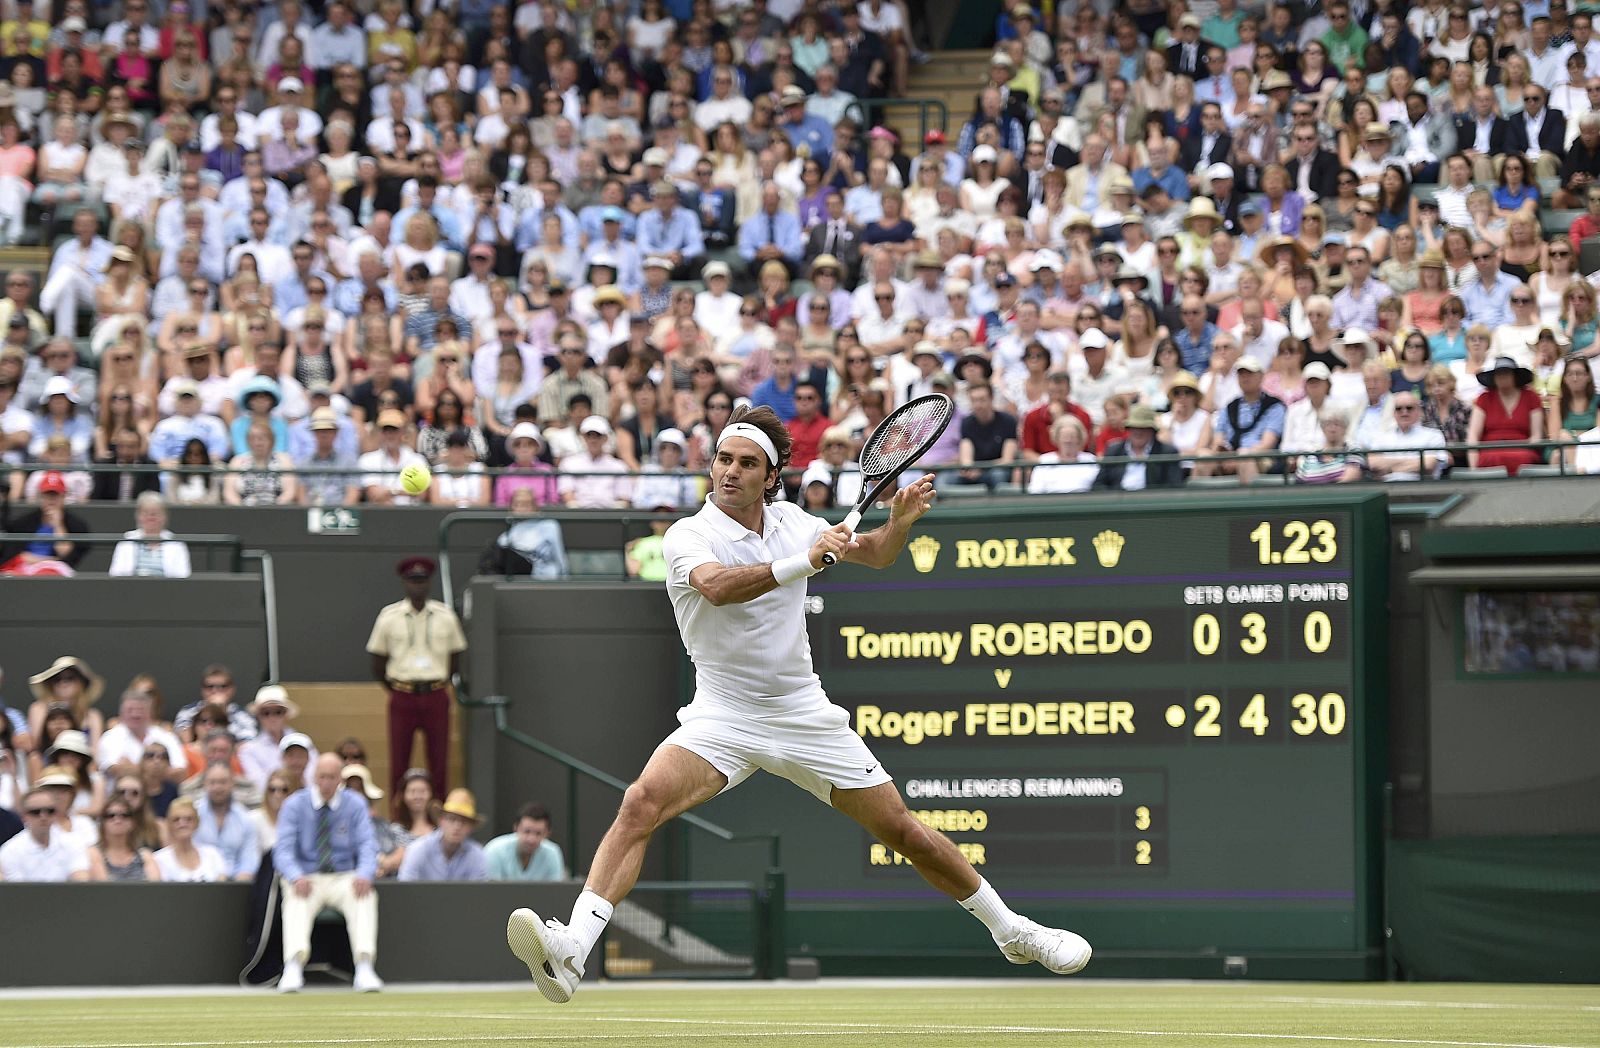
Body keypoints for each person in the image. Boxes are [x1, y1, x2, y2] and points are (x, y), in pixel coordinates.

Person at [504, 406, 1091, 1004]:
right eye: (723, 459)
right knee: (640, 802)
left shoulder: (793, 522)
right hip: (722, 713)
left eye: (746, 464)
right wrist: (808, 561)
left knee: (904, 832)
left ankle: (1014, 931)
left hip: (802, 712)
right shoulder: (689, 534)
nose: (730, 472)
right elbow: (718, 587)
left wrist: (899, 523)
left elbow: (877, 554)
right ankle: (573, 947)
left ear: (770, 475)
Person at [273, 754, 382, 993]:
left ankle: (364, 966)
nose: (326, 783)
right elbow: (282, 851)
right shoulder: (294, 804)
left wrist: (365, 874)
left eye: (332, 777)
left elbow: (367, 845)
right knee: (295, 896)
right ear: (314, 777)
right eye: (322, 776)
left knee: (364, 894)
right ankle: (293, 965)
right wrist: (295, 876)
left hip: (344, 876)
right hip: (307, 876)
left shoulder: (355, 804)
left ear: (339, 779)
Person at [367, 557, 466, 798]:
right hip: (402, 693)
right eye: (412, 580)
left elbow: (456, 656)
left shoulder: (445, 616)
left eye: (421, 580)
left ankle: (439, 816)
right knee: (399, 760)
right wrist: (396, 687)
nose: (417, 586)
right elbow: (378, 661)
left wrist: (439, 681)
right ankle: (399, 817)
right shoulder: (389, 616)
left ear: (429, 583)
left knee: (439, 760)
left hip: (436, 693)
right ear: (404, 582)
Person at [1467, 356, 1547, 474]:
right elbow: (1473, 435)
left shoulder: (1531, 397)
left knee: (1525, 458)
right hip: (1490, 451)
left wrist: (1522, 446)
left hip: (1523, 451)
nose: (1502, 376)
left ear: (1515, 376)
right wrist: (1473, 468)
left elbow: (1536, 436)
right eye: (1498, 373)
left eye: (1506, 373)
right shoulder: (1484, 399)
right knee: (1490, 458)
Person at [397, 787, 488, 881]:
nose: (457, 826)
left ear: (470, 828)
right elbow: (405, 889)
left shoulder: (477, 854)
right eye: (452, 819)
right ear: (441, 821)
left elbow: (480, 893)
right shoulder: (419, 849)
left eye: (464, 822)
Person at [0, 788, 89, 881]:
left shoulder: (73, 843)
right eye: (35, 812)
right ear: (24, 816)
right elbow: (17, 891)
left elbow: (81, 882)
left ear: (56, 813)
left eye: (50, 811)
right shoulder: (10, 851)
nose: (43, 816)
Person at [1093, 405, 1184, 490]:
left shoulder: (1167, 453)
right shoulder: (1114, 450)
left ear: (1152, 431)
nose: (1138, 432)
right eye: (1134, 428)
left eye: (1143, 428)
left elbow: (1174, 487)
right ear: (1128, 429)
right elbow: (1098, 485)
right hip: (1118, 503)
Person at [107, 491, 191, 578]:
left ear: (165, 517)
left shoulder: (177, 543)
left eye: (155, 513)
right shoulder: (126, 540)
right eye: (145, 513)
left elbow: (183, 576)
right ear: (138, 516)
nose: (150, 517)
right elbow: (115, 574)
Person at [485, 803, 566, 882]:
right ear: (516, 828)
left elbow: (555, 892)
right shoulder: (495, 850)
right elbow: (490, 892)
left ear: (547, 833)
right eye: (527, 831)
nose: (531, 839)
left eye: (538, 833)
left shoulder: (553, 852)